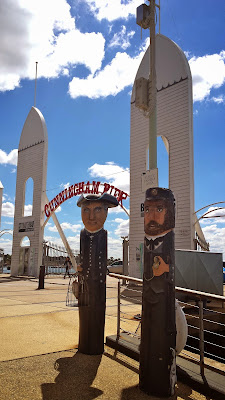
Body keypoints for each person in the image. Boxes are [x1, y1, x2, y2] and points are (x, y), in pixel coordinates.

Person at [139, 187, 176, 397]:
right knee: (147, 338)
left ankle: (160, 381)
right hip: (148, 298)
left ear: (170, 211)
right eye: (148, 209)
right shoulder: (146, 241)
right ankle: (146, 376)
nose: (151, 216)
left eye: (159, 208)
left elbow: (174, 269)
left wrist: (167, 269)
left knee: (161, 339)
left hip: (164, 301)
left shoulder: (168, 239)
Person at [76, 193, 118, 355]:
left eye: (98, 210)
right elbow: (85, 257)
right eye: (86, 210)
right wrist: (82, 268)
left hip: (98, 289)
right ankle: (85, 344)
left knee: (95, 317)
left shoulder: (103, 234)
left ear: (106, 212)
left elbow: (98, 264)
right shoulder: (82, 234)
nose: (91, 216)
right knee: (85, 318)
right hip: (84, 288)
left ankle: (93, 346)